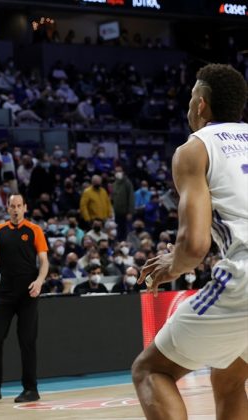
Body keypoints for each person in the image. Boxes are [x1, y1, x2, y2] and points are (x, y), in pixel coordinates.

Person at [132, 64, 248, 420]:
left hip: (244, 279)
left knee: (151, 370)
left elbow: (195, 246)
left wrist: (173, 264)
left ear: (200, 105)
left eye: (190, 98)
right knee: (229, 377)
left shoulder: (194, 149)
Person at [0, 194, 49, 404]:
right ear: (7, 208)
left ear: (25, 207)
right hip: (5, 292)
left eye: (19, 206)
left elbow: (44, 261)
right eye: (12, 206)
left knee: (27, 340)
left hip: (28, 292)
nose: (16, 209)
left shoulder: (35, 230)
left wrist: (39, 281)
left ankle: (31, 389)